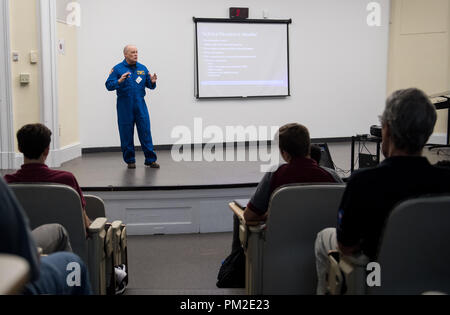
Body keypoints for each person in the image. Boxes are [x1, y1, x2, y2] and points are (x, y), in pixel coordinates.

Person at [314, 88, 450, 294]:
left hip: (376, 276)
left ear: (386, 129)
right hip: (431, 277)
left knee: (324, 238)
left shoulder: (363, 182)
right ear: (428, 133)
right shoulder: (445, 181)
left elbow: (346, 247)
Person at [231, 123, 338, 253]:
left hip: (278, 252)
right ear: (308, 147)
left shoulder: (276, 174)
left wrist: (272, 214)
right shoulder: (331, 176)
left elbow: (249, 216)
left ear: (284, 153)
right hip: (324, 250)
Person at [0, 177, 92, 295]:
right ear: (46, 156)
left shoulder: (9, 180)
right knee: (74, 264)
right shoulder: (67, 179)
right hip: (13, 286)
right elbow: (29, 261)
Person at [4, 124, 92, 234]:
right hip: (67, 249)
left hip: (22, 249)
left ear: (19, 148)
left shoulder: (7, 183)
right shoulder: (66, 180)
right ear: (47, 150)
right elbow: (84, 223)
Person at [105, 45, 160, 169]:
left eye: (136, 52)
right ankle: (130, 160)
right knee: (126, 133)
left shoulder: (142, 68)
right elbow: (108, 85)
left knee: (145, 131)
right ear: (125, 54)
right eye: (132, 52)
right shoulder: (117, 69)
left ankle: (150, 160)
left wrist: (152, 81)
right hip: (125, 107)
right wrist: (119, 81)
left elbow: (150, 86)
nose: (135, 54)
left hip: (140, 105)